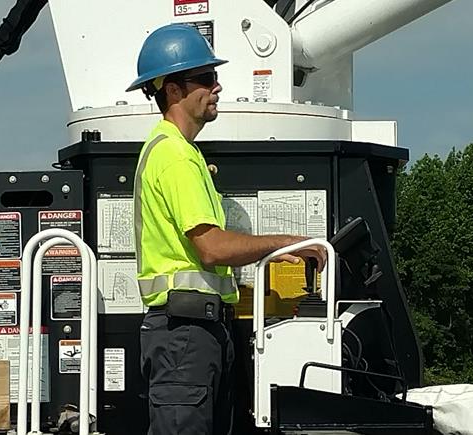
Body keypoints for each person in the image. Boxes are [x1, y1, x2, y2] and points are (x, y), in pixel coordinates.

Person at [127, 23, 327, 435]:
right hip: (184, 337)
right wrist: (288, 243)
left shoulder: (180, 154)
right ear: (173, 90)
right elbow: (212, 248)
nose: (216, 86)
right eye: (205, 78)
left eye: (215, 76)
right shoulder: (176, 158)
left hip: (191, 334)